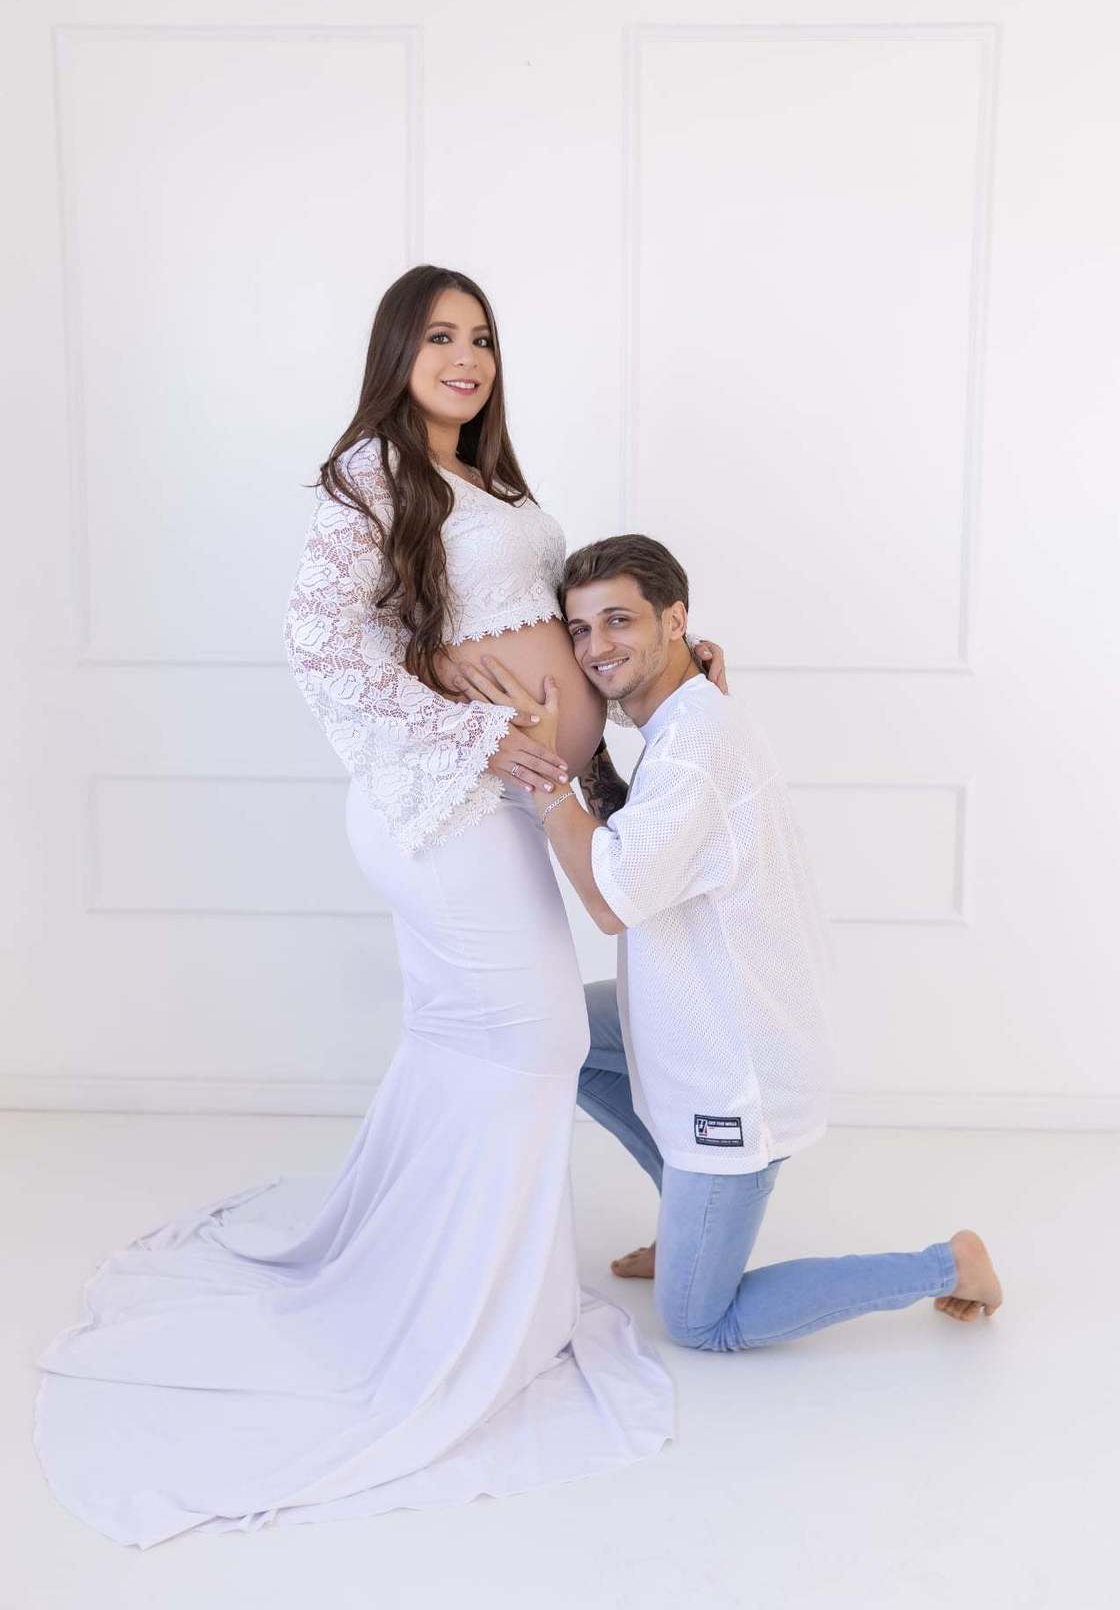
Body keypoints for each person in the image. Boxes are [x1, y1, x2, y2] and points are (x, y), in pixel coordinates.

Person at [33, 267, 728, 1546]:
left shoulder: (498, 484)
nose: (466, 357)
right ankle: (465, 1323)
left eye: (483, 338)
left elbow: (533, 636)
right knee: (533, 1042)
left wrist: (644, 694)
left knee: (482, 1044)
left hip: (510, 801)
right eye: (441, 336)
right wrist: (460, 711)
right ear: (396, 351)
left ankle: (448, 1288)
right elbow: (321, 648)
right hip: (445, 809)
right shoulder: (371, 473)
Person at [448, 534, 1004, 1357]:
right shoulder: (687, 722)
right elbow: (650, 829)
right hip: (689, 1013)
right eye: (580, 630)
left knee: (703, 1321)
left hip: (731, 1072)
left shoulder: (698, 744)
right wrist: (589, 746)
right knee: (548, 1026)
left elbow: (608, 900)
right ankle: (688, 1218)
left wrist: (549, 769)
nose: (596, 647)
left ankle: (946, 1265)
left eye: (619, 621)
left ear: (676, 619)